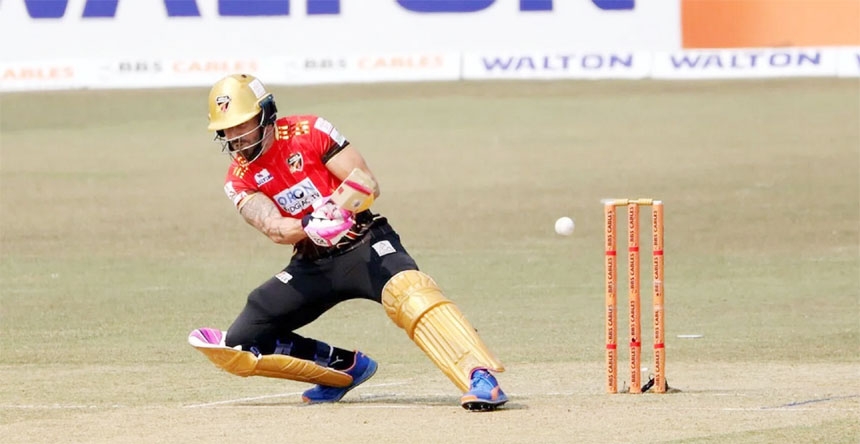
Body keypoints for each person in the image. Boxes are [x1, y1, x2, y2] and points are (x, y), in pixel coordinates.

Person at [187, 73, 508, 411]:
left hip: (365, 242)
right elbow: (274, 228)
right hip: (313, 263)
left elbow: (366, 183)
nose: (236, 137)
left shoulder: (309, 132)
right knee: (242, 341)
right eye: (227, 129)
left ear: (265, 114)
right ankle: (343, 368)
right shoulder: (238, 178)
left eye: (243, 124)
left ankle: (480, 376)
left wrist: (337, 210)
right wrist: (312, 225)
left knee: (412, 294)